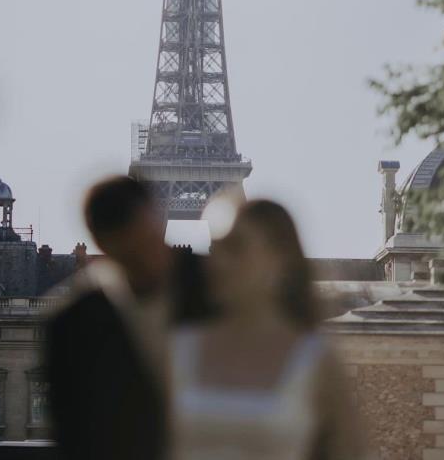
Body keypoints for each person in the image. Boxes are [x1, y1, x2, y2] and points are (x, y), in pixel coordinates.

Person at [171, 199, 366, 460]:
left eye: (235, 247)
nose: (217, 263)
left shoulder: (317, 361)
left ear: (280, 256)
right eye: (214, 249)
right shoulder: (176, 349)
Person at [46, 176, 212, 460]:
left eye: (149, 244)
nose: (150, 262)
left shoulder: (221, 288)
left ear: (159, 221)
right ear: (104, 248)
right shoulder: (73, 321)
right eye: (131, 255)